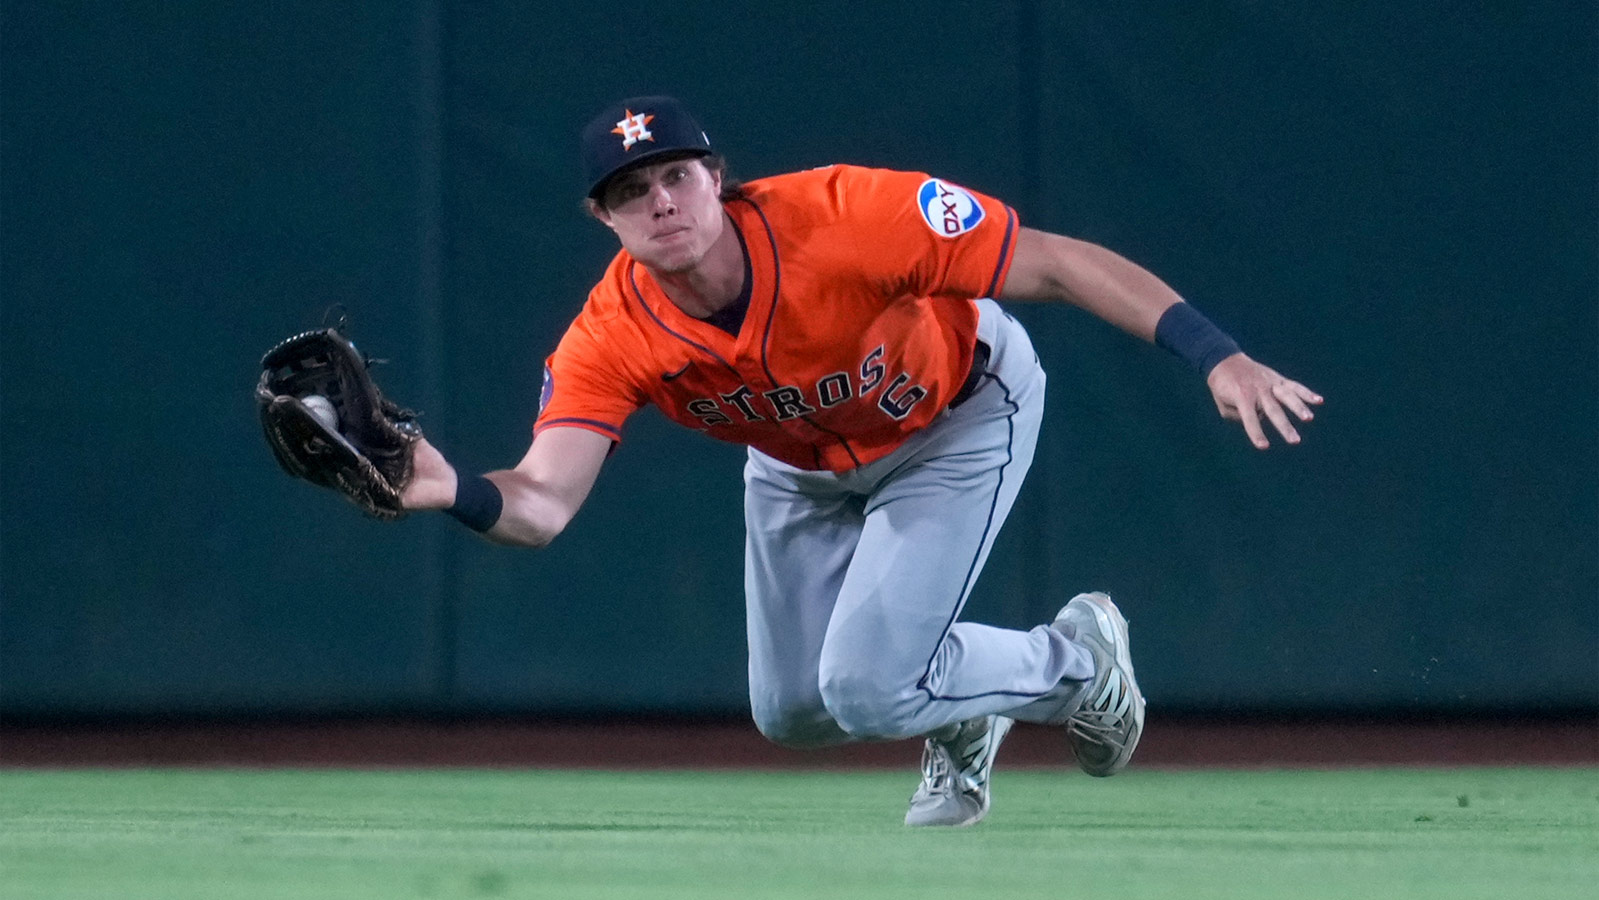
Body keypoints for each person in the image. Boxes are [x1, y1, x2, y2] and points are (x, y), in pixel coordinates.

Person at [401, 95, 1322, 826]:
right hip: (796, 465)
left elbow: (1054, 265)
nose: (662, 203)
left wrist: (1213, 353)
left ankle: (1075, 663)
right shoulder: (610, 334)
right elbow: (543, 503)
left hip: (956, 415)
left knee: (870, 687)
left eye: (676, 175)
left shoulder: (846, 216)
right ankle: (962, 706)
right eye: (631, 192)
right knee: (793, 713)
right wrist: (451, 491)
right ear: (603, 218)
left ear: (717, 177)